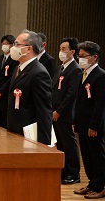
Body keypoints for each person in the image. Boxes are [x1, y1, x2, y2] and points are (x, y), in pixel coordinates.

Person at [7, 29, 53, 145]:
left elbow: (44, 110)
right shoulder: (19, 68)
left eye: (17, 44)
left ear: (29, 48)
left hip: (29, 134)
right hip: (14, 130)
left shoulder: (38, 73)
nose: (13, 47)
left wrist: (43, 144)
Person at [73, 41, 105, 199]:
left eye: (83, 56)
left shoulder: (100, 75)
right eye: (79, 56)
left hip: (94, 125)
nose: (80, 59)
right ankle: (92, 183)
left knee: (97, 156)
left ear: (94, 57)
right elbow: (79, 101)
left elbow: (100, 105)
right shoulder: (82, 74)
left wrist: (94, 126)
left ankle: (100, 186)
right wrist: (75, 121)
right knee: (86, 155)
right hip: (82, 123)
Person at [52, 38, 81, 185]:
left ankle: (74, 173)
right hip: (55, 113)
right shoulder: (60, 68)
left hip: (66, 114)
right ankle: (64, 171)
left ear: (72, 52)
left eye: (64, 49)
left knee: (69, 144)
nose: (61, 52)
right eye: (60, 48)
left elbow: (71, 95)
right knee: (61, 144)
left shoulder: (75, 69)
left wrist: (59, 111)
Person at [0, 35, 18, 128]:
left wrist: (1, 92)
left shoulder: (15, 60)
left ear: (12, 45)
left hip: (5, 95)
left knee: (5, 121)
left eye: (6, 43)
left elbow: (11, 79)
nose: (4, 45)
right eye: (3, 43)